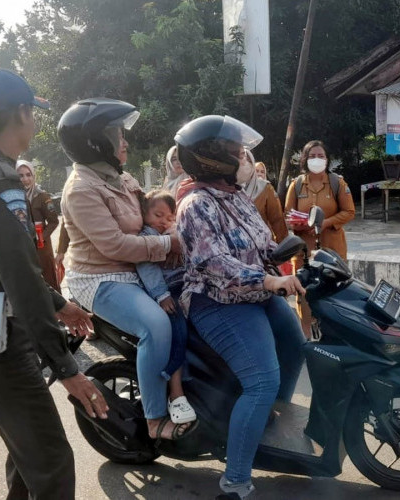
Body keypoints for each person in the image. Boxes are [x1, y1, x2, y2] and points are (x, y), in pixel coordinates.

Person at [0, 68, 108, 499]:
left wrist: (58, 303)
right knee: (53, 462)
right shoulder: (0, 181)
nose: (35, 122)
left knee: (29, 456)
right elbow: (17, 278)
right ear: (20, 113)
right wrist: (67, 368)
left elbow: (2, 269)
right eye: (33, 113)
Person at [174, 115, 306, 499]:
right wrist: (270, 281)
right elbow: (215, 264)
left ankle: (261, 418)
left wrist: (288, 255)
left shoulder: (237, 197)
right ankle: (234, 481)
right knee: (262, 381)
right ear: (212, 160)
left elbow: (260, 244)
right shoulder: (196, 205)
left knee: (295, 347)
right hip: (217, 301)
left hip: (255, 294)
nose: (244, 157)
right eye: (236, 152)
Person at [58, 97, 196, 442]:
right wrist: (168, 245)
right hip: (101, 277)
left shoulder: (123, 178)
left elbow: (155, 214)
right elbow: (116, 246)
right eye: (118, 136)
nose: (125, 142)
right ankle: (154, 418)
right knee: (157, 324)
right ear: (95, 142)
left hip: (140, 268)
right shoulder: (81, 190)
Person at [136, 189, 196, 424]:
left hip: (184, 287)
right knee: (177, 331)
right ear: (145, 214)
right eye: (158, 215)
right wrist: (161, 296)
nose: (164, 222)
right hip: (166, 293)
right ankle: (176, 391)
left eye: (169, 217)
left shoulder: (174, 233)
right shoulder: (147, 237)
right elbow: (146, 267)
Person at [284, 140, 355, 337]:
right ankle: (306, 339)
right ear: (305, 160)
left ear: (327, 159)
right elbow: (288, 214)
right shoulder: (296, 185)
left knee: (333, 293)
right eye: (312, 156)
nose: (317, 159)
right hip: (303, 252)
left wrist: (325, 222)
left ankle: (333, 338)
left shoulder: (337, 183)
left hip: (332, 251)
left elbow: (349, 211)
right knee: (304, 295)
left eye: (321, 156)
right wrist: (298, 224)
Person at [16, 159, 61, 291]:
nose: (25, 179)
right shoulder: (14, 197)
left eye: (28, 175)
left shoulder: (42, 196)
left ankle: (59, 311)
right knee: (31, 284)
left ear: (33, 176)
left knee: (50, 281)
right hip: (24, 247)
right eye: (21, 175)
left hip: (42, 247)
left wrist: (41, 237)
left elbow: (54, 221)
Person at [238, 149, 288, 243]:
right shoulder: (227, 188)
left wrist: (284, 250)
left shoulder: (265, 188)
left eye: (248, 160)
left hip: (263, 247)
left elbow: (277, 221)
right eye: (241, 158)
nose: (244, 163)